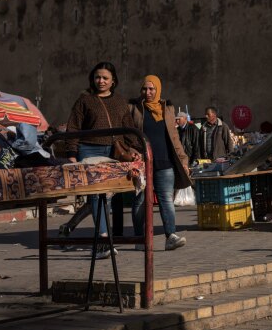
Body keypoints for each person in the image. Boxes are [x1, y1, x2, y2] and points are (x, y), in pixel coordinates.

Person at [60, 61, 142, 259]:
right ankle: (103, 240)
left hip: (115, 153)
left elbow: (128, 127)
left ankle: (95, 236)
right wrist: (71, 152)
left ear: (113, 81)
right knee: (96, 196)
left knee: (107, 197)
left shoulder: (120, 102)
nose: (101, 81)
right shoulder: (84, 101)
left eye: (105, 78)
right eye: (98, 77)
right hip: (89, 150)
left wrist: (137, 149)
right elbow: (74, 127)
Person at [130, 75, 192, 251]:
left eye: (152, 89)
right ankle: (139, 238)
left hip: (165, 162)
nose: (148, 92)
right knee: (140, 201)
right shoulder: (134, 108)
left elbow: (174, 137)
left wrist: (183, 160)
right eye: (145, 89)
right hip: (143, 163)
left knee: (166, 200)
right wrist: (133, 154)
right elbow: (129, 136)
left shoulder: (167, 108)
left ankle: (170, 236)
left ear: (158, 89)